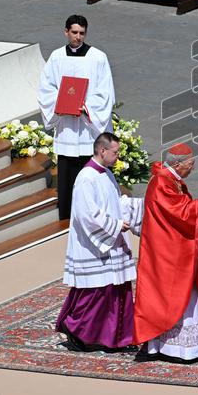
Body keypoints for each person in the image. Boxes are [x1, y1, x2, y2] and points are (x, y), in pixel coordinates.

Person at [133, 142, 198, 361]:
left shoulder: (171, 180)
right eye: (190, 164)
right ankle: (175, 348)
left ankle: (191, 345)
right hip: (168, 253)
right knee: (176, 294)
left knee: (189, 293)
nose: (192, 168)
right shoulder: (161, 183)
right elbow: (182, 214)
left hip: (174, 246)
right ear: (177, 164)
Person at [55, 132, 144, 352]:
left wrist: (139, 207)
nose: (118, 157)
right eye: (115, 152)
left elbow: (114, 203)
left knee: (116, 292)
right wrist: (115, 225)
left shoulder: (106, 174)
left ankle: (117, 339)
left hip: (111, 242)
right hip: (93, 246)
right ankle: (75, 328)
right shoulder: (86, 177)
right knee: (96, 293)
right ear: (102, 150)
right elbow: (87, 214)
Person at [38, 15, 116, 221]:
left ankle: (91, 217)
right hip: (67, 129)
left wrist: (86, 109)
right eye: (74, 33)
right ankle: (67, 217)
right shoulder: (56, 57)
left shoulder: (98, 57)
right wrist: (60, 105)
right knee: (67, 178)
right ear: (66, 32)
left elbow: (105, 92)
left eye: (82, 33)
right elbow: (46, 89)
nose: (78, 37)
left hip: (87, 129)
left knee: (89, 177)